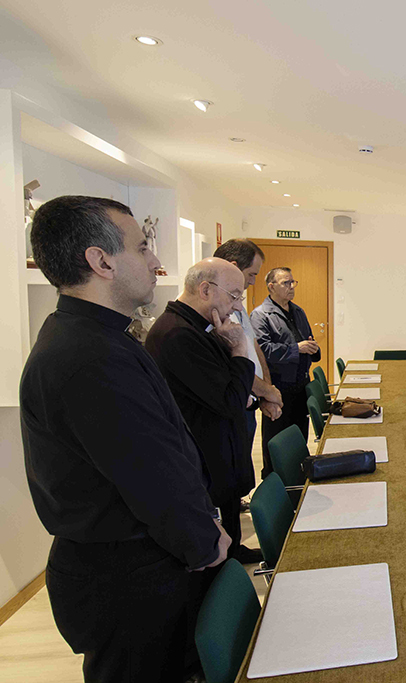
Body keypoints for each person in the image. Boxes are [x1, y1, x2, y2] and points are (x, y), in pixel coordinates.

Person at [20, 196, 229, 683]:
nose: (156, 262)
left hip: (136, 567)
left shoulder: (91, 337)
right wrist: (203, 542)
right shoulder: (89, 356)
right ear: (101, 261)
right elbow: (150, 474)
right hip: (128, 579)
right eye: (143, 247)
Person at [146, 258, 260, 565]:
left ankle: (235, 553)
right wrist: (238, 350)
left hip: (220, 455)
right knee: (217, 562)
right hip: (206, 460)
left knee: (230, 537)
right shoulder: (178, 334)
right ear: (206, 289)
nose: (237, 306)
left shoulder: (198, 327)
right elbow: (229, 399)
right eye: (235, 295)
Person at [212, 239, 283, 451]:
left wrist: (266, 390)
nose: (253, 282)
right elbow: (230, 364)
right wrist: (268, 392)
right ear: (234, 267)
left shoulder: (237, 306)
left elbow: (254, 349)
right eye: (251, 274)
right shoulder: (214, 309)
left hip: (250, 402)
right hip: (233, 407)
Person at [251, 266, 321, 475]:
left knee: (299, 435)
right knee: (276, 438)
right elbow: (263, 351)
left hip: (301, 383)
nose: (291, 287)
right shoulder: (260, 315)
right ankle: (274, 478)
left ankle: (299, 476)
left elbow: (307, 338)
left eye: (293, 282)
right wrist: (296, 348)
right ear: (271, 286)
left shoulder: (297, 311)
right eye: (286, 283)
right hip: (278, 387)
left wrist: (312, 347)